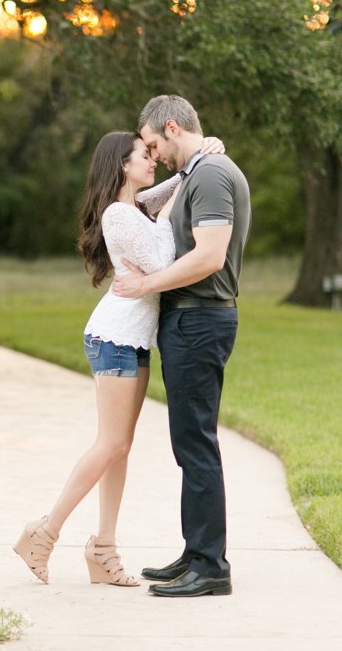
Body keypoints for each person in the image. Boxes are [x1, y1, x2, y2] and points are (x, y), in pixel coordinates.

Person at [13, 129, 224, 587]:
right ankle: (43, 533)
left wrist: (202, 154)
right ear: (123, 166)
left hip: (134, 339)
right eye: (144, 156)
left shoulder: (138, 206)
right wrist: (174, 202)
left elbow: (179, 182)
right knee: (109, 444)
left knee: (121, 448)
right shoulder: (119, 214)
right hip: (114, 337)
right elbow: (162, 260)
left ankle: (103, 550)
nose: (153, 161)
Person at [112, 94, 250, 598]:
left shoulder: (210, 174)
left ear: (171, 128)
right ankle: (196, 553)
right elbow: (149, 207)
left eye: (153, 144)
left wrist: (146, 286)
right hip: (190, 322)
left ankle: (211, 567)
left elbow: (210, 256)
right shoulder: (198, 172)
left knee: (196, 444)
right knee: (189, 443)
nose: (153, 155)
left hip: (200, 321)